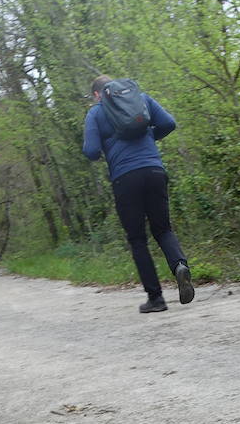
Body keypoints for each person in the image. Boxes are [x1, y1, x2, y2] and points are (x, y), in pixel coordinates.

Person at [82, 75, 194, 314]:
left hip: (125, 178)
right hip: (154, 170)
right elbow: (169, 123)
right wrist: (148, 138)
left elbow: (90, 151)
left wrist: (109, 148)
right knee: (163, 228)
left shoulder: (96, 113)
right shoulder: (141, 99)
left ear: (96, 95)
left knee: (137, 239)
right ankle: (180, 267)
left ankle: (156, 298)